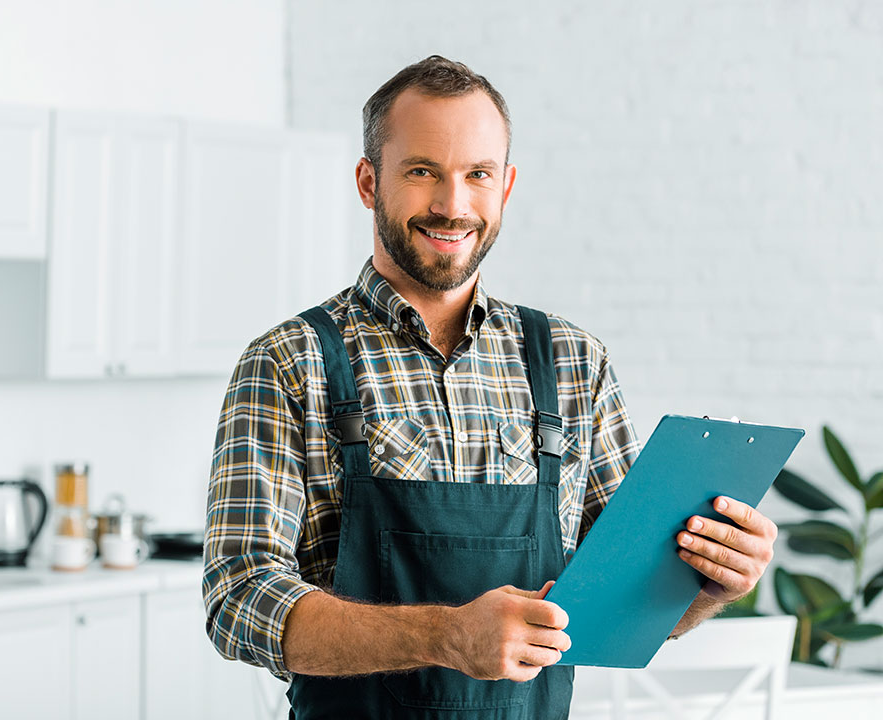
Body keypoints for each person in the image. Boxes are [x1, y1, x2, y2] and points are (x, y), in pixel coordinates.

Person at [202, 55, 778, 719]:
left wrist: (709, 586)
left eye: (477, 174)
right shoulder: (289, 360)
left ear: (504, 186)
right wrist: (446, 636)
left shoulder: (572, 361)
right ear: (368, 182)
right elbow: (237, 600)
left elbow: (617, 602)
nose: (453, 204)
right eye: (423, 172)